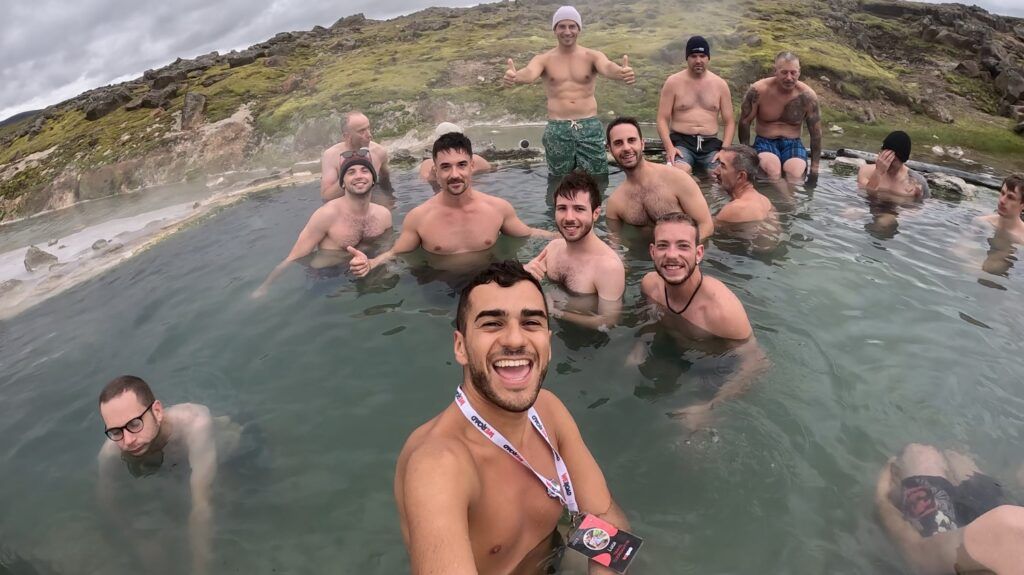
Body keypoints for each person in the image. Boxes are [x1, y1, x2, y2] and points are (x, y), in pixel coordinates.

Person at [394, 261, 630, 574]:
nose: (516, 340)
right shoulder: (440, 463)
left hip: (552, 558)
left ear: (548, 345)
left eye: (531, 323)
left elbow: (606, 518)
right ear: (461, 346)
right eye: (492, 324)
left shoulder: (548, 410)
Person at [349, 132, 554, 277]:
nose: (454, 174)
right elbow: (397, 252)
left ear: (472, 166)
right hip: (440, 283)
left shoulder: (498, 208)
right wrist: (371, 263)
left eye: (461, 165)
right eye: (446, 167)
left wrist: (566, 238)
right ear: (436, 172)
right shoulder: (419, 217)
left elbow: (528, 233)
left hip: (490, 278)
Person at [637, 213, 767, 430]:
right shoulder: (650, 286)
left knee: (689, 438)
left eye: (682, 246)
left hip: (714, 370)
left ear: (698, 253)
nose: (671, 255)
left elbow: (757, 364)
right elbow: (649, 320)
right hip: (672, 354)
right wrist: (639, 346)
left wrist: (710, 406)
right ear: (652, 251)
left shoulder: (722, 311)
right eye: (663, 245)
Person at [96, 375, 224, 575]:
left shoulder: (195, 423)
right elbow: (108, 500)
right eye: (115, 432)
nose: (128, 440)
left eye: (135, 424)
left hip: (229, 450)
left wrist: (200, 570)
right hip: (173, 465)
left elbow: (202, 506)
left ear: (157, 411)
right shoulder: (110, 453)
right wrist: (139, 541)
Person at [503, 5, 635, 177]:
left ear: (578, 29)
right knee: (559, 179)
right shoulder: (544, 59)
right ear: (555, 29)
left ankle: (597, 204)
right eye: (562, 26)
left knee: (598, 176)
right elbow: (529, 73)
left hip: (589, 126)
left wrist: (621, 73)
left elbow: (608, 67)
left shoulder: (592, 56)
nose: (567, 31)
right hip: (558, 128)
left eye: (572, 26)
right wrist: (515, 76)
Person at [252, 154, 392, 297]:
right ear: (342, 183)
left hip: (365, 267)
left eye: (364, 170)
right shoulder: (326, 215)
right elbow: (294, 257)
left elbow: (387, 248)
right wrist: (264, 287)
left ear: (373, 179)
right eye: (351, 172)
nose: (358, 176)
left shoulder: (384, 215)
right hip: (327, 277)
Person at [875, 443, 1024, 574]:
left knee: (919, 453)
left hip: (997, 543)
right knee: (956, 459)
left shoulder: (1010, 532)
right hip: (1001, 527)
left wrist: (882, 502)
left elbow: (920, 557)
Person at [525, 171, 625, 329]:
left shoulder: (608, 267)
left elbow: (608, 321)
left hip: (587, 345)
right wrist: (525, 273)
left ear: (595, 213)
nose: (569, 217)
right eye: (562, 208)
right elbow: (528, 279)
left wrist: (556, 312)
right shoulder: (553, 247)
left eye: (579, 209)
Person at [604, 117, 714, 240]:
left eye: (631, 140)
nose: (626, 148)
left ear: (642, 144)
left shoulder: (677, 178)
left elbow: (706, 225)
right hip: (641, 256)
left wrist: (686, 253)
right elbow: (615, 243)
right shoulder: (615, 204)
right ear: (610, 149)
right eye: (618, 143)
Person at [656, 35, 735, 174]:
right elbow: (662, 119)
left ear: (708, 57)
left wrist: (724, 150)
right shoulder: (673, 82)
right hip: (681, 143)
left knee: (720, 175)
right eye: (693, 56)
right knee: (680, 172)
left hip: (710, 144)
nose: (698, 60)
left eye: (702, 55)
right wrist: (669, 148)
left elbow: (729, 122)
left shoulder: (720, 85)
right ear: (687, 57)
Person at [738, 52, 822, 181]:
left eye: (793, 73)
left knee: (795, 173)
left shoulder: (807, 96)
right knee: (772, 170)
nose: (789, 78)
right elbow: (744, 122)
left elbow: (816, 134)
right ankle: (778, 199)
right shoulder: (758, 90)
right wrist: (746, 154)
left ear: (799, 72)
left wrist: (815, 168)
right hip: (765, 141)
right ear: (775, 71)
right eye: (784, 72)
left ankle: (789, 200)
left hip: (793, 142)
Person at [321, 111, 391, 201]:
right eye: (362, 131)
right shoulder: (331, 155)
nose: (369, 135)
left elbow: (386, 182)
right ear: (347, 136)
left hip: (371, 199)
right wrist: (348, 177)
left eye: (368, 128)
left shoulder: (379, 152)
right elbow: (327, 195)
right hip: (344, 204)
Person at [857, 131, 929, 199]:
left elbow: (922, 207)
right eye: (885, 158)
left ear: (903, 160)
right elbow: (867, 197)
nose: (887, 164)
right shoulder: (865, 171)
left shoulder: (917, 182)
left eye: (893, 160)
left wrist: (917, 196)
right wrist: (878, 172)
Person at [713, 145, 775, 224]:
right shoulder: (766, 201)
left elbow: (705, 229)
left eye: (723, 166)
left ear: (741, 176)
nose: (715, 171)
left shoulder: (736, 208)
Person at [418, 122, 493, 186]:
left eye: (461, 164)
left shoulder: (477, 160)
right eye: (446, 166)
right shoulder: (428, 165)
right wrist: (433, 175)